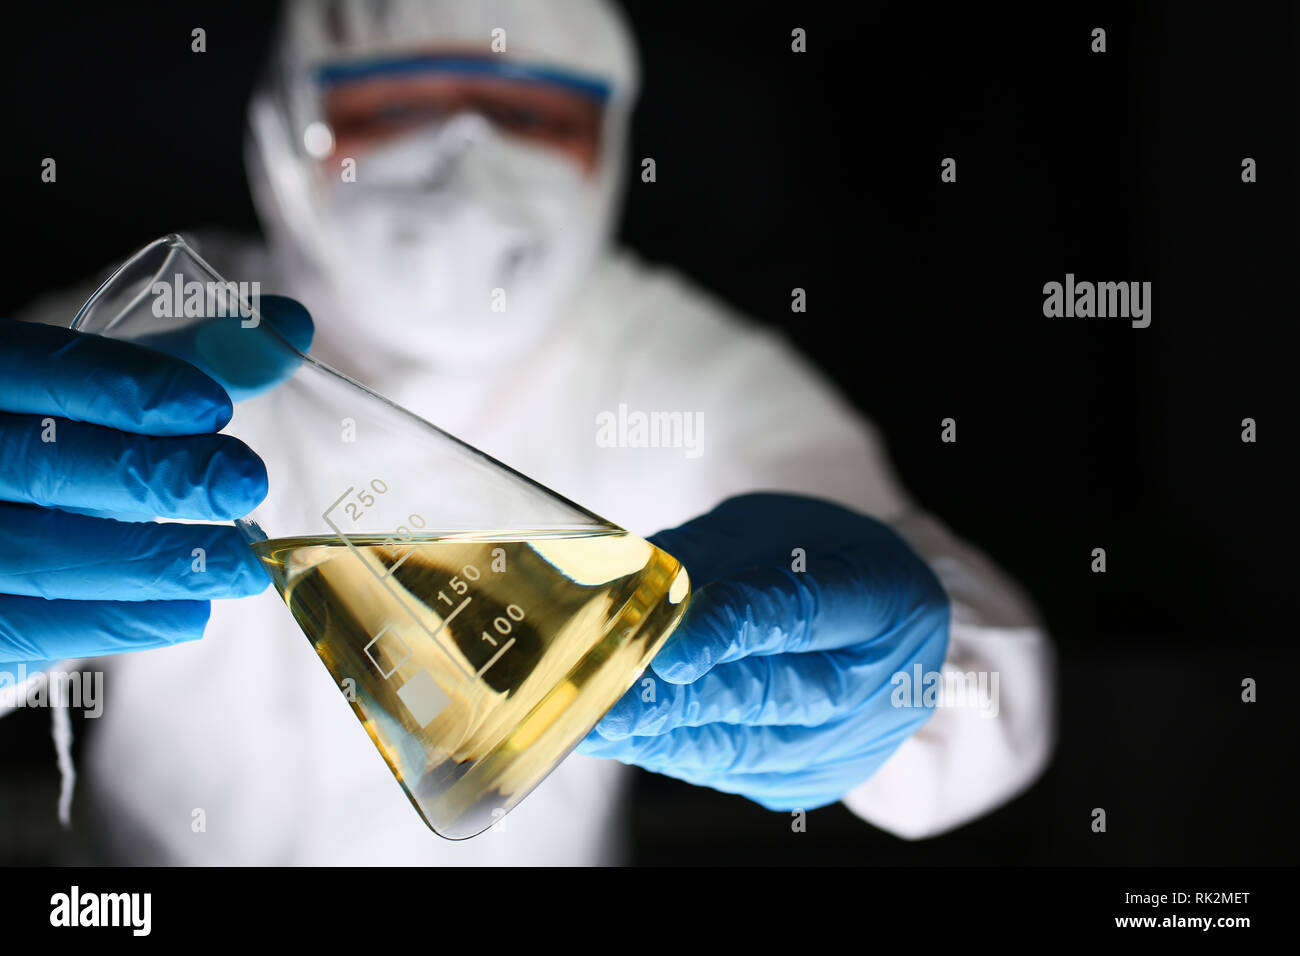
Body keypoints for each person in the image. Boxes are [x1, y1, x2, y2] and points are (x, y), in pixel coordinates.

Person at [0, 0, 1054, 864]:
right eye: (398, 104)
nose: (466, 152)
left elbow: (981, 710)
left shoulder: (674, 364)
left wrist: (900, 680)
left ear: (608, 140)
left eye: (531, 112)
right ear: (288, 123)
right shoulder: (143, 344)